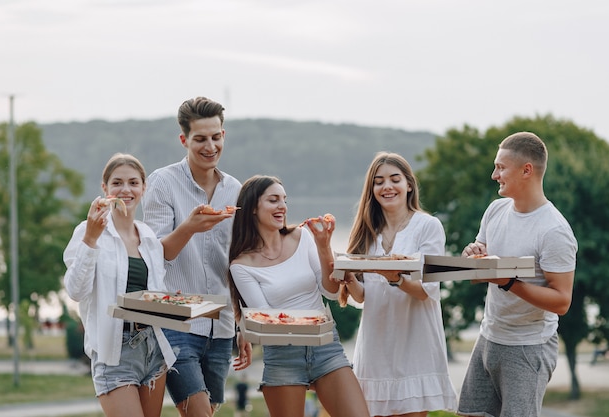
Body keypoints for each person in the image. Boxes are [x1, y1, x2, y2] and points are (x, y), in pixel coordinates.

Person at [141, 96, 252, 417]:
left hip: (221, 326)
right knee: (199, 412)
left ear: (223, 135)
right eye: (200, 139)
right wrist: (189, 227)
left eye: (216, 137)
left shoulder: (235, 190)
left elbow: (239, 265)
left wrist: (243, 323)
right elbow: (155, 258)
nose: (210, 146)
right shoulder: (163, 183)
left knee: (208, 410)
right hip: (176, 323)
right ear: (184, 140)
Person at [228, 175, 371, 417]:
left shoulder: (302, 237)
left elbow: (331, 292)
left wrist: (323, 246)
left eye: (284, 200)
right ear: (253, 207)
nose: (282, 206)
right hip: (283, 356)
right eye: (273, 200)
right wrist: (245, 326)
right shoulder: (241, 266)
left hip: (326, 348)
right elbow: (268, 322)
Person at [457, 132, 578, 417]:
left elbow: (561, 301)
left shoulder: (554, 231)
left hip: (528, 347)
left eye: (501, 167)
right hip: (488, 337)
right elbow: (479, 275)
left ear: (527, 170)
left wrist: (509, 282)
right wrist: (472, 256)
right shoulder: (495, 210)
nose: (493, 174)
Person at [337, 152, 457, 417]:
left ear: (409, 184)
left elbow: (427, 291)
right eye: (378, 182)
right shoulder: (367, 232)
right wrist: (348, 277)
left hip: (414, 344)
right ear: (372, 189)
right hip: (376, 345)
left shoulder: (428, 226)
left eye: (394, 179)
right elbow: (364, 296)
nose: (387, 187)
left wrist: (395, 278)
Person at [63, 153, 176, 417]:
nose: (125, 190)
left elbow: (153, 296)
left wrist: (170, 301)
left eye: (133, 183)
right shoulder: (87, 231)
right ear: (105, 189)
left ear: (143, 188)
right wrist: (91, 239)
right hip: (114, 352)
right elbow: (75, 290)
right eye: (117, 183)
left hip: (153, 349)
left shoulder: (147, 236)